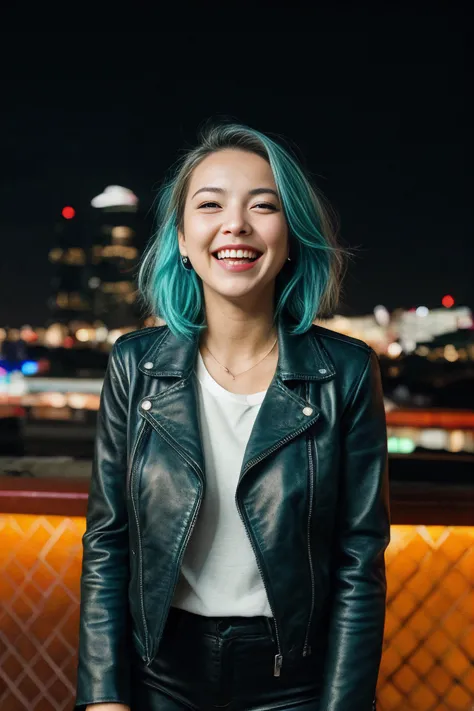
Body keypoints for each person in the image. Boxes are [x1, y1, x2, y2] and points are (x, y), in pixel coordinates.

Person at [75, 121, 390, 711]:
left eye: (262, 206)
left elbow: (359, 560)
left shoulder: (346, 371)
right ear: (183, 239)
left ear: (291, 235)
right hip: (158, 676)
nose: (235, 224)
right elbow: (108, 542)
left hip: (295, 683)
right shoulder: (134, 365)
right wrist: (102, 696)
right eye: (210, 204)